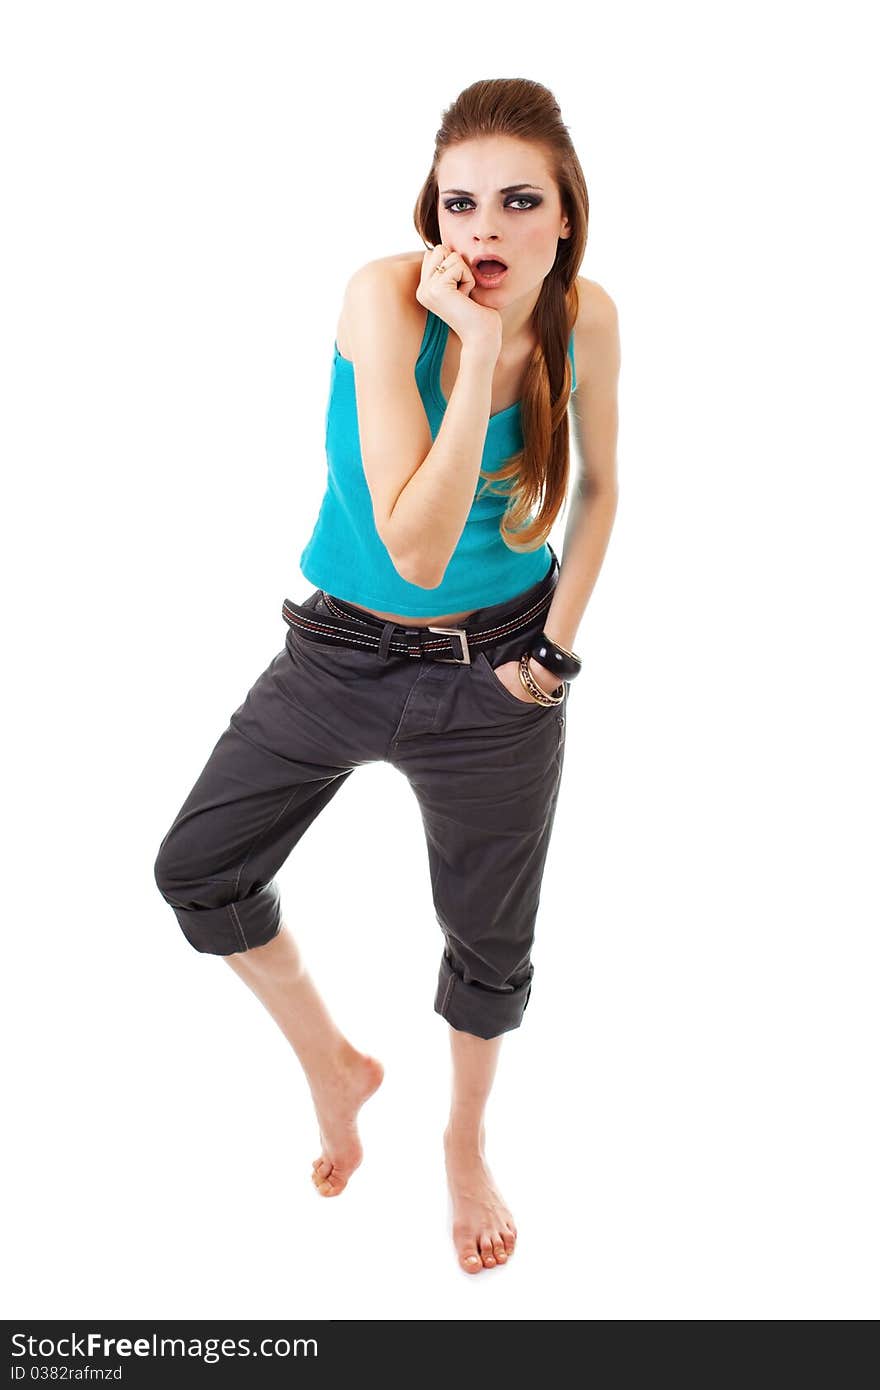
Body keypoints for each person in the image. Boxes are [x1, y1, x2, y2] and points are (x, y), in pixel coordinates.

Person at [153, 76, 620, 1275]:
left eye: (519, 202)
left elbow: (600, 490)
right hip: (339, 654)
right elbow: (412, 543)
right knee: (198, 871)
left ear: (564, 214)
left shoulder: (588, 316)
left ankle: (463, 1141)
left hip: (499, 670)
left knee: (488, 941)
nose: (482, 231)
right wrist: (471, 352)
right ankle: (334, 1064)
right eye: (458, 202)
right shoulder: (385, 301)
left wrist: (552, 656)